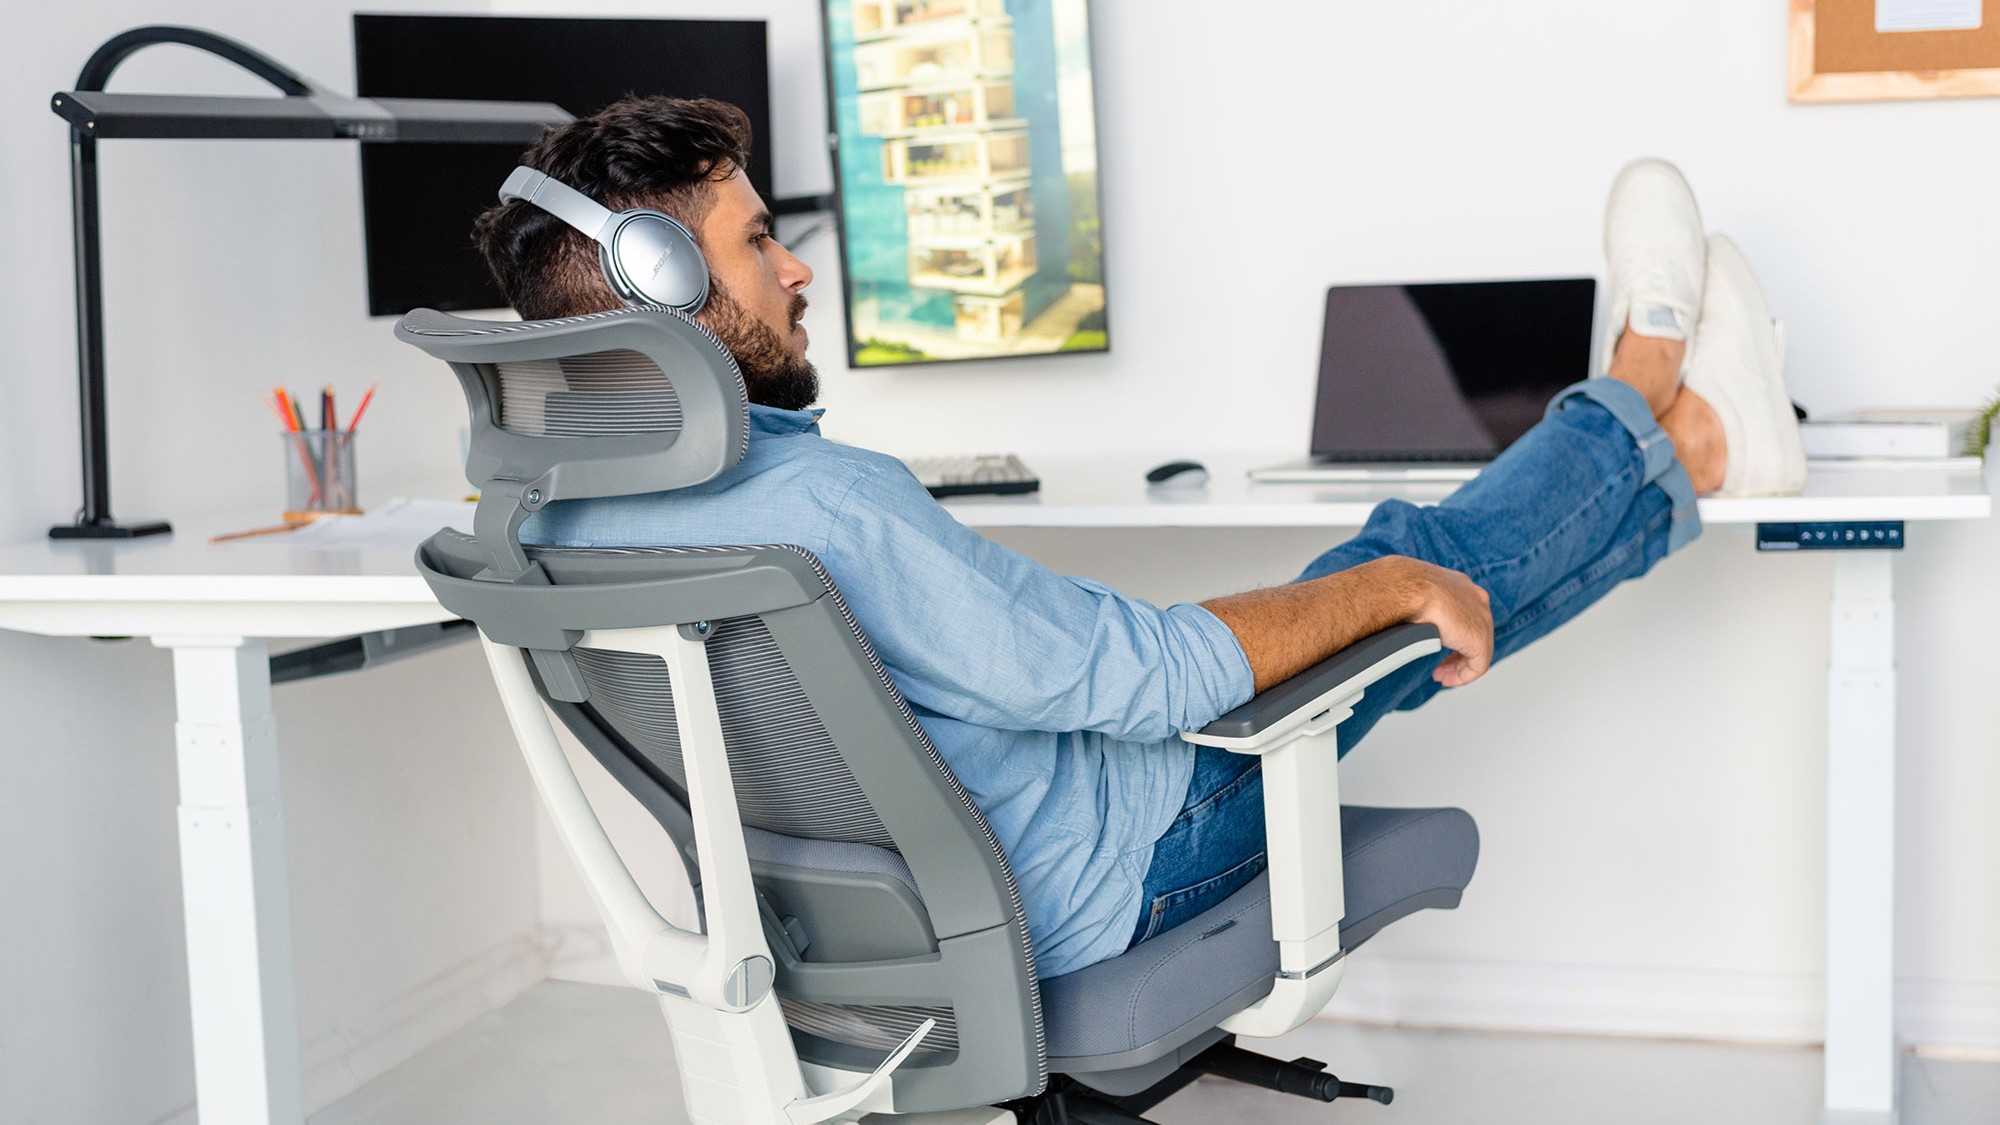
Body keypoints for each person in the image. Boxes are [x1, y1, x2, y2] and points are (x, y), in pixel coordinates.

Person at [472, 96, 1807, 978]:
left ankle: (1690, 444)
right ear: (666, 285)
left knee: (1372, 584)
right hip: (1102, 883)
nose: (800, 267)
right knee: (1393, 570)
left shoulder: (551, 516)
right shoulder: (826, 508)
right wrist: (1398, 581)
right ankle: (1645, 388)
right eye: (764, 242)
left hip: (837, 931)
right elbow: (1154, 679)